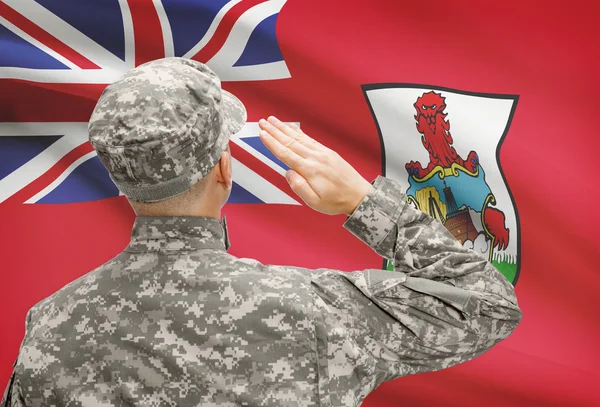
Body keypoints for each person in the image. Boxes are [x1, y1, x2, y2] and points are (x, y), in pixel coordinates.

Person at [1, 57, 522, 407]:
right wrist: (365, 203)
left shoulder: (50, 325)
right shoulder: (316, 310)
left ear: (120, 175)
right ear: (224, 170)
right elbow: (489, 305)